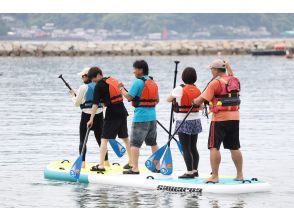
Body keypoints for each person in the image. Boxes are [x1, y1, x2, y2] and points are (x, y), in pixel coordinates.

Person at [192, 59, 243, 183]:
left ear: (215, 70)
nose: (211, 72)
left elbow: (201, 100)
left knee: (214, 147)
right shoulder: (234, 80)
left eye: (211, 69)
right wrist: (229, 67)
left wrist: (193, 101)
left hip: (220, 119)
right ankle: (240, 175)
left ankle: (215, 176)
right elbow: (231, 75)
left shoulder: (215, 83)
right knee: (234, 147)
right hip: (235, 118)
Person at [86, 67, 132, 171]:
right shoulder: (113, 80)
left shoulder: (99, 86)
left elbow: (95, 104)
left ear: (98, 75)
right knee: (125, 138)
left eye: (93, 79)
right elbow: (125, 94)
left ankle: (101, 165)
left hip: (112, 113)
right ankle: (132, 162)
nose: (93, 81)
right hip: (122, 111)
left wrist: (91, 119)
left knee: (104, 139)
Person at [119, 60, 160, 174]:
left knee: (134, 144)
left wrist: (121, 89)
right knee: (153, 143)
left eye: (135, 69)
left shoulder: (138, 82)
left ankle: (135, 168)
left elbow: (129, 97)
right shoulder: (153, 82)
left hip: (141, 118)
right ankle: (158, 167)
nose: (134, 71)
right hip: (152, 117)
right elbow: (157, 100)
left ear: (141, 70)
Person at [69, 67, 109, 169]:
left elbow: (77, 103)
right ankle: (106, 162)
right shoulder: (100, 85)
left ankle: (82, 164)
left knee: (83, 140)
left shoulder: (83, 87)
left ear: (87, 76)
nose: (82, 79)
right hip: (99, 115)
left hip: (86, 116)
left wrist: (72, 96)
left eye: (83, 76)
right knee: (101, 140)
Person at [167, 67, 202, 178]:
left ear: (183, 77)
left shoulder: (179, 88)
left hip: (183, 120)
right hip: (196, 120)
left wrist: (173, 96)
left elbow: (168, 99)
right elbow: (200, 107)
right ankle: (195, 170)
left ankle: (189, 172)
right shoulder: (198, 89)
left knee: (185, 148)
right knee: (193, 147)